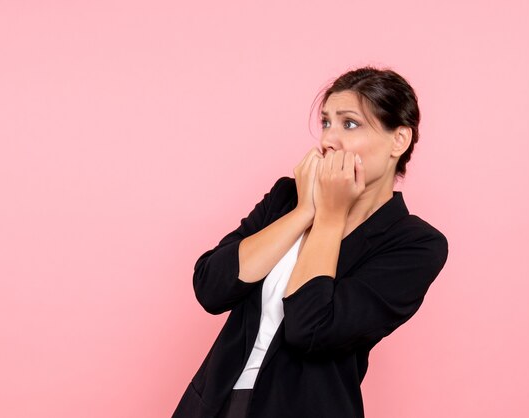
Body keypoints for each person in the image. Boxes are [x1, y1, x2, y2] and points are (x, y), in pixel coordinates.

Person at [172, 66, 449, 418]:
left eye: (349, 124)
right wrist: (305, 211)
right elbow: (211, 287)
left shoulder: (416, 244)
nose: (329, 139)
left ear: (399, 140)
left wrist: (331, 217)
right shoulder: (286, 197)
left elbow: (310, 327)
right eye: (326, 123)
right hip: (214, 405)